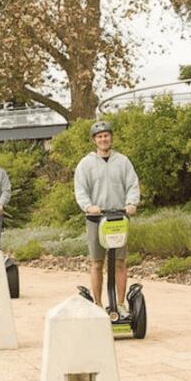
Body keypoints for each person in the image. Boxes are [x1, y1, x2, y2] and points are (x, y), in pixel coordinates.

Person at [73, 120, 140, 310]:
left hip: (119, 218)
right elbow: (80, 189)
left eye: (106, 135)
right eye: (100, 136)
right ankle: (98, 304)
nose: (104, 139)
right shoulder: (86, 164)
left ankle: (120, 304)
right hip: (96, 219)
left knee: (119, 262)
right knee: (96, 263)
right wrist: (88, 206)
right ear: (94, 140)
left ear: (111, 137)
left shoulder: (123, 161)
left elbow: (132, 185)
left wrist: (131, 203)